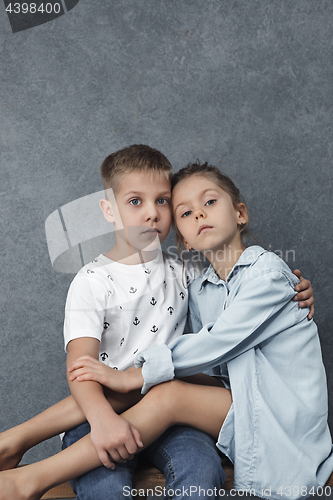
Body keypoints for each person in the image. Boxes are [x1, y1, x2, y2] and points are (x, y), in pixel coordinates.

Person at [0, 158, 317, 500]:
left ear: (240, 213)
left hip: (234, 408)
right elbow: (84, 369)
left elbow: (216, 341)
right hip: (121, 407)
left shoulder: (217, 275)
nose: (153, 213)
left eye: (163, 202)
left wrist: (292, 285)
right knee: (113, 465)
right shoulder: (193, 284)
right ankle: (18, 440)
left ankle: (28, 473)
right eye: (136, 202)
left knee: (172, 411)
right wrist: (111, 407)